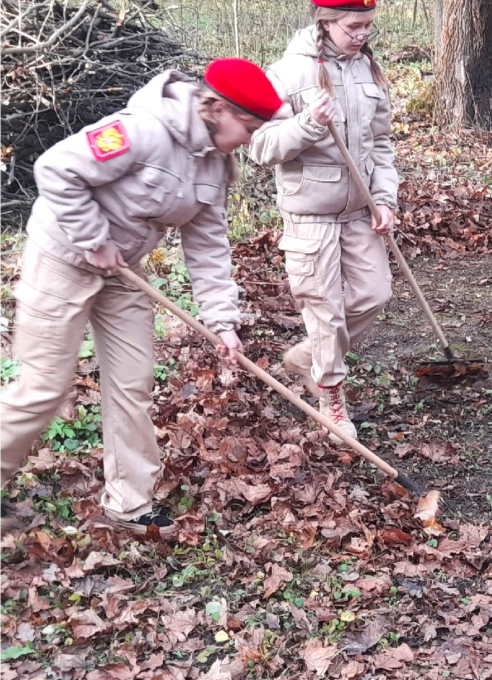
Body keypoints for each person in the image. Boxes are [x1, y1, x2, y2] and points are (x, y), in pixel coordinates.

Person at [0, 58, 282, 539]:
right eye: (249, 126)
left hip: (123, 272)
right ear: (214, 107)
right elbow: (55, 170)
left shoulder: (215, 164)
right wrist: (92, 237)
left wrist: (222, 321)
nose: (251, 138)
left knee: (133, 383)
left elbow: (208, 244)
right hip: (64, 257)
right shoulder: (141, 131)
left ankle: (130, 502)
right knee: (45, 385)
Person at [249, 0, 398, 443]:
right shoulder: (289, 72)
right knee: (325, 312)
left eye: (368, 26)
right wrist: (309, 126)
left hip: (360, 210)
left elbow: (382, 142)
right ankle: (331, 398)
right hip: (309, 216)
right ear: (327, 21)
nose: (362, 35)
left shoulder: (366, 68)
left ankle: (308, 356)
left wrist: (386, 198)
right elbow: (260, 146)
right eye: (353, 27)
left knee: (375, 294)